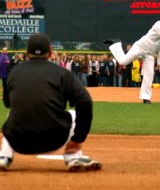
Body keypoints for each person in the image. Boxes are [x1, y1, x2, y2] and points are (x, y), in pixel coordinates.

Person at [0, 34, 101, 172]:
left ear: (26, 53)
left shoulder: (14, 72)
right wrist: (78, 138)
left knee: (11, 114)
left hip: (19, 141)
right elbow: (85, 101)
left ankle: (4, 156)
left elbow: (7, 104)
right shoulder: (63, 73)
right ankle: (73, 156)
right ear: (51, 52)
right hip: (55, 139)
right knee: (73, 113)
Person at [104, 10, 160, 103]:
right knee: (123, 62)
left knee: (149, 74)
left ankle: (146, 97)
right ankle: (116, 44)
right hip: (140, 46)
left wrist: (159, 62)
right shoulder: (158, 25)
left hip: (150, 54)